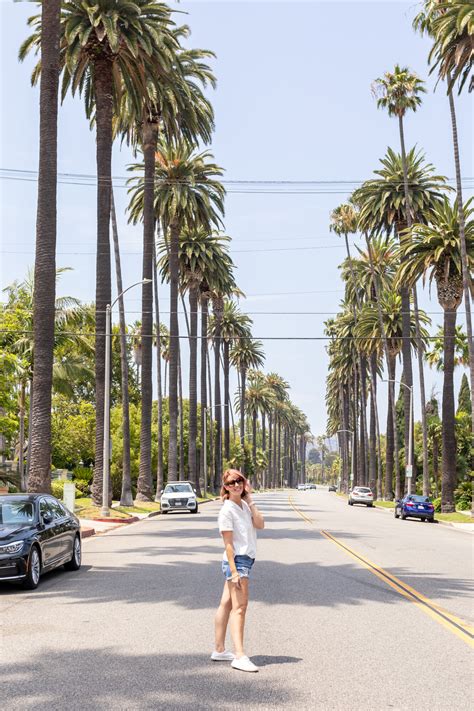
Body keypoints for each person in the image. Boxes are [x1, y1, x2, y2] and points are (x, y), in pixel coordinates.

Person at [211, 468, 265, 673]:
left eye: (239, 482)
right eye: (232, 483)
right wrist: (234, 572)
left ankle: (219, 650)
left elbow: (260, 524)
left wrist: (250, 499)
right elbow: (228, 544)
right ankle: (239, 655)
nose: (236, 485)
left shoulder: (243, 505)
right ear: (225, 487)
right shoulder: (226, 510)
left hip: (246, 560)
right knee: (240, 608)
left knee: (226, 604)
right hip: (237, 561)